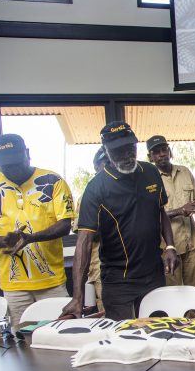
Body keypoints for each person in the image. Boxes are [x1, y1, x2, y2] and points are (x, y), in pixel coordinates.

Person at [63, 122, 180, 321]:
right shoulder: (95, 189)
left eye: (130, 147)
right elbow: (84, 242)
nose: (126, 154)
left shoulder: (151, 173)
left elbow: (160, 211)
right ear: (106, 152)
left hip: (153, 274)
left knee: (159, 333)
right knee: (122, 340)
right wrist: (77, 297)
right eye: (118, 150)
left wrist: (170, 246)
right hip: (119, 281)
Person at [0, 134, 75, 324]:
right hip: (14, 285)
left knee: (60, 332)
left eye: (16, 162)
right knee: (21, 341)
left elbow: (65, 225)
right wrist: (3, 241)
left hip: (52, 282)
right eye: (6, 166)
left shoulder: (52, 181)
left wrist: (31, 238)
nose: (12, 169)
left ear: (27, 153)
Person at [147, 135, 195, 294]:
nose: (161, 154)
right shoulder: (149, 179)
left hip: (191, 244)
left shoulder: (185, 171)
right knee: (172, 295)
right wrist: (180, 210)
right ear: (150, 157)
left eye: (164, 149)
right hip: (167, 249)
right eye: (156, 152)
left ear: (169, 151)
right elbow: (149, 215)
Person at [73, 147, 109, 311]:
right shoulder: (89, 194)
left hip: (129, 266)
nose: (111, 166)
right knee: (108, 311)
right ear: (96, 167)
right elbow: (86, 236)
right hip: (101, 263)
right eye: (106, 163)